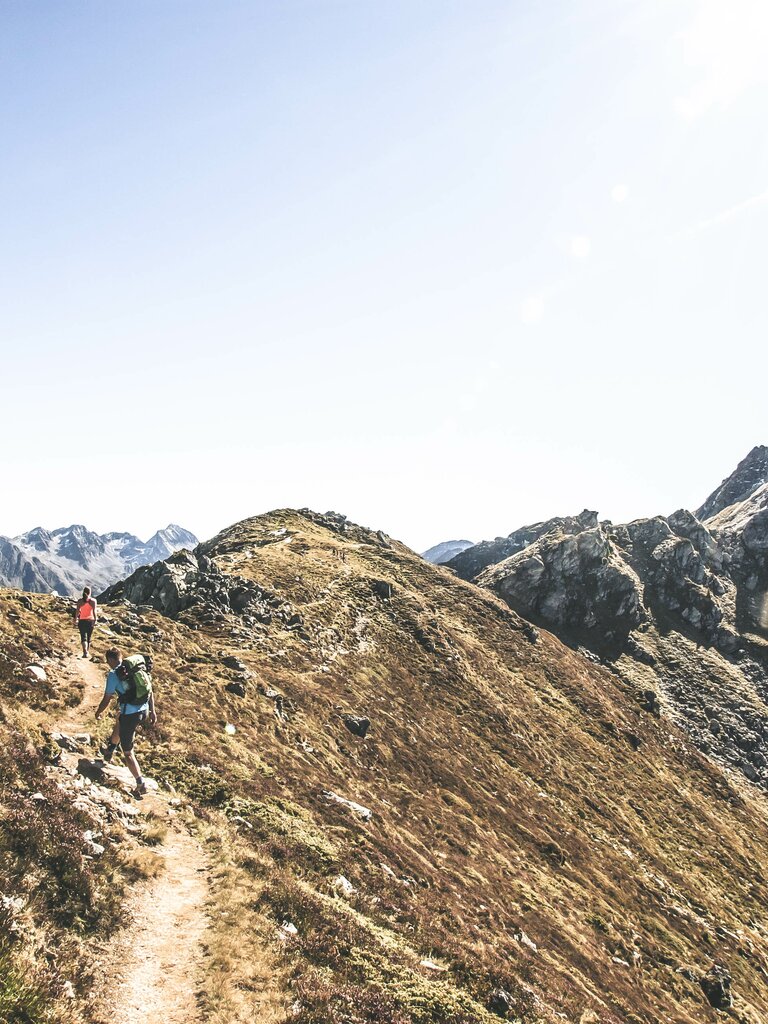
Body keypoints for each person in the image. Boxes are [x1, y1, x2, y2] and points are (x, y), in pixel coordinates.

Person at [95, 647, 157, 796]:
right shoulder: (135, 670)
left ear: (110, 660)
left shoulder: (114, 675)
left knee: (128, 752)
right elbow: (149, 690)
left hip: (131, 714)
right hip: (143, 710)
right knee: (119, 718)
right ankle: (110, 749)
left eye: (107, 661)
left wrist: (98, 712)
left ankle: (140, 783)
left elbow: (107, 698)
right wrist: (153, 711)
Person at [74, 586, 98, 658]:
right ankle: (87, 652)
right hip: (90, 621)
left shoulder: (80, 601)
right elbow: (94, 611)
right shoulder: (93, 601)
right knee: (89, 637)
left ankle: (85, 652)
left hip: (82, 621)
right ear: (90, 592)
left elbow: (77, 611)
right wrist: (95, 620)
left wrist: (75, 619)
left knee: (83, 637)